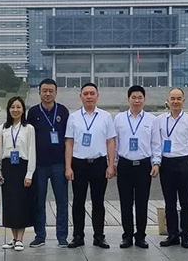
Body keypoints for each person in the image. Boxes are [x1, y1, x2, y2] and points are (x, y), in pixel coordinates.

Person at [64, 82, 116, 249]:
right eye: (85, 94)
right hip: (79, 164)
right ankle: (78, 236)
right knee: (78, 201)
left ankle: (99, 236)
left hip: (99, 163)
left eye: (92, 93)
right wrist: (68, 167)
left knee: (98, 202)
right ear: (80, 96)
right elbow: (69, 143)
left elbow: (110, 141)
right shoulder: (73, 117)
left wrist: (111, 165)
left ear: (97, 96)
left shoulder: (105, 116)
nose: (89, 97)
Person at [113, 85, 161, 249]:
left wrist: (156, 162)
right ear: (128, 99)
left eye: (140, 97)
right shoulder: (119, 119)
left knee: (142, 203)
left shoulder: (151, 120)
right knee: (125, 203)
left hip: (143, 165)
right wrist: (113, 164)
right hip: (124, 164)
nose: (137, 100)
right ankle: (127, 236)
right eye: (133, 97)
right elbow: (115, 144)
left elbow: (156, 143)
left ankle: (140, 236)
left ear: (144, 100)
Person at [25, 78, 70, 248]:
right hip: (40, 165)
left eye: (51, 91)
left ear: (56, 93)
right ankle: (40, 236)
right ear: (39, 93)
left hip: (59, 164)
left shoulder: (63, 111)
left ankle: (62, 236)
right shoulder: (33, 112)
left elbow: (68, 139)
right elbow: (29, 139)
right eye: (44, 91)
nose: (48, 94)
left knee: (62, 201)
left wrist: (68, 165)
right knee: (39, 201)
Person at [157, 87, 188, 249]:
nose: (175, 102)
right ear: (167, 101)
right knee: (169, 202)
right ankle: (172, 234)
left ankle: (186, 235)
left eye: (179, 99)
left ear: (183, 101)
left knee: (186, 201)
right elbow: (157, 142)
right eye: (173, 98)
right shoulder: (160, 120)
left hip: (183, 162)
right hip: (166, 163)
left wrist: (182, 156)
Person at [0, 96, 36, 252]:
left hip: (22, 168)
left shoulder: (29, 128)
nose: (15, 110)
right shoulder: (3, 128)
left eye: (18, 107)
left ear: (23, 110)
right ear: (8, 110)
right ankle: (13, 238)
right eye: (12, 107)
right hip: (8, 167)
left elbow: (32, 151)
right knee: (10, 204)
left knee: (22, 203)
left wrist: (29, 174)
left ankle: (20, 239)